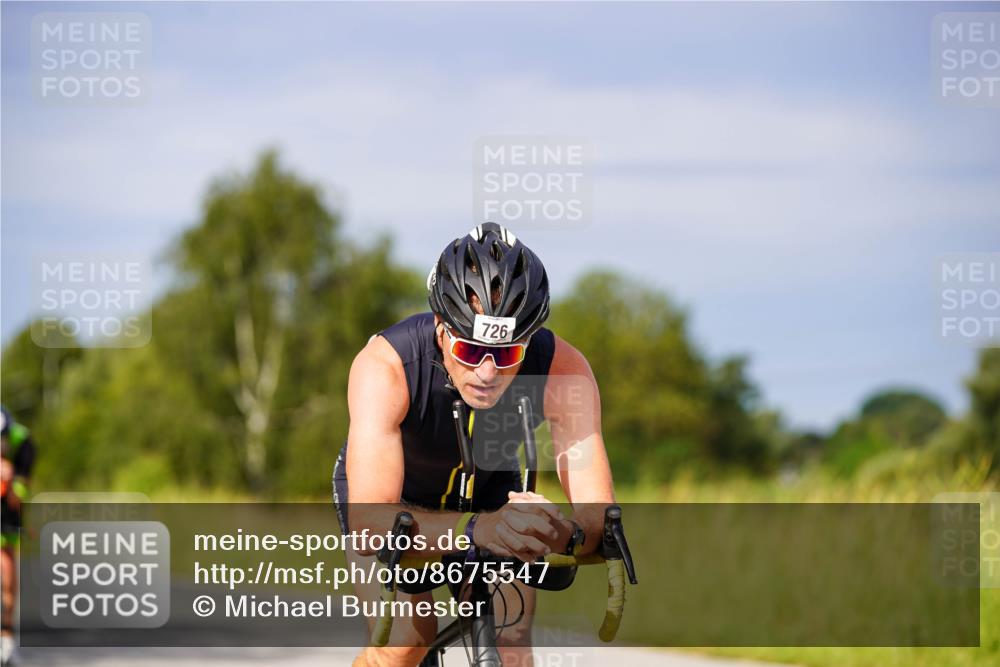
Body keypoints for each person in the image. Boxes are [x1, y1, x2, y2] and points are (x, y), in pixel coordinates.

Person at [333, 223, 616, 667]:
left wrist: (565, 533)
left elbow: (597, 507)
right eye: (470, 351)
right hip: (396, 502)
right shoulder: (386, 366)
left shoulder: (561, 368)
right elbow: (369, 520)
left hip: (491, 496)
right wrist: (475, 531)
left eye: (506, 355)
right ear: (442, 329)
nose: (487, 372)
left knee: (512, 645)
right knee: (406, 639)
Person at [1, 406, 35, 667]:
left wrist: (14, 486)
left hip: (7, 515)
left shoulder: (23, 442)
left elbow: (22, 484)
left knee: (8, 568)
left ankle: (7, 639)